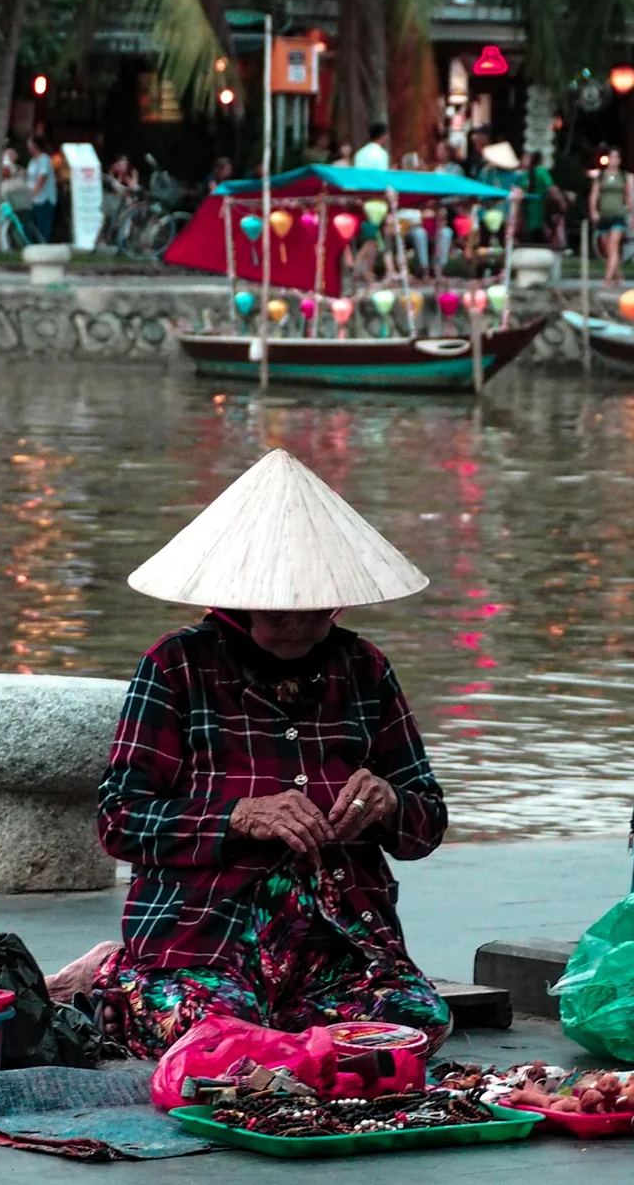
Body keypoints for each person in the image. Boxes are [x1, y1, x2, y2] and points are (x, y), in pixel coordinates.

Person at [44, 450, 452, 1058]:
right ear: (237, 598)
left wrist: (390, 804)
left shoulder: (364, 668)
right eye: (279, 607)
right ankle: (113, 978)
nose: (298, 622)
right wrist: (238, 816)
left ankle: (275, 1021)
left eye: (316, 606)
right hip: (207, 930)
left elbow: (427, 822)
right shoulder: (176, 666)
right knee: (210, 1040)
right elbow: (120, 819)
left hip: (339, 936)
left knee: (413, 1025)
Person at [589, 146, 634, 289]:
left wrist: (632, 213)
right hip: (604, 215)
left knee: (613, 246)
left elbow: (629, 196)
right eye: (612, 157)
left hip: (618, 215)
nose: (614, 160)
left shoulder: (623, 176)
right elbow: (594, 195)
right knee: (607, 250)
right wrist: (593, 211)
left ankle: (607, 280)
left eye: (617, 157)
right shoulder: (601, 176)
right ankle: (618, 276)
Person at [26, 134, 57, 242]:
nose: (28, 146)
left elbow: (42, 178)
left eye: (29, 143)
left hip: (43, 198)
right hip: (33, 199)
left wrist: (34, 192)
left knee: (43, 226)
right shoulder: (32, 161)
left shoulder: (44, 159)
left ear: (35, 145)